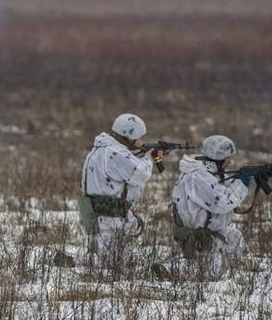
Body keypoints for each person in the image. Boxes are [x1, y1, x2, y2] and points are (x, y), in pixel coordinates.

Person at [160, 135, 251, 280]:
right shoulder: (199, 176)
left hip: (207, 232)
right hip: (197, 235)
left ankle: (232, 274)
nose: (230, 161)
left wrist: (242, 179)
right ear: (219, 159)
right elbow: (222, 203)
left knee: (235, 237)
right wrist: (242, 184)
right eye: (228, 158)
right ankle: (170, 268)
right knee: (211, 272)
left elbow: (219, 190)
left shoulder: (206, 171)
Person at [79, 113, 161, 258]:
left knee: (99, 256)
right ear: (130, 135)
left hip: (95, 212)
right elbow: (140, 174)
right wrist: (149, 158)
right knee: (111, 263)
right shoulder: (115, 152)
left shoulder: (101, 148)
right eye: (137, 137)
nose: (139, 141)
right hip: (110, 215)